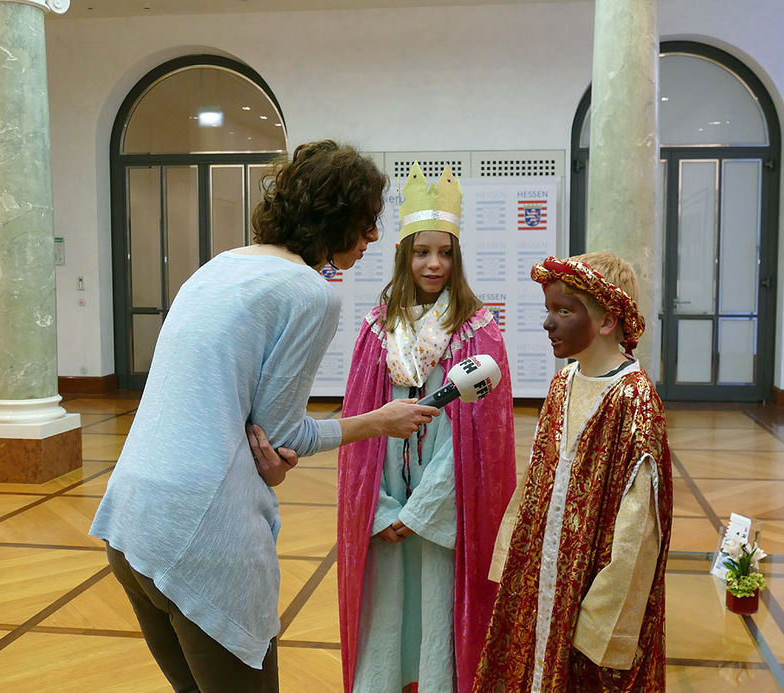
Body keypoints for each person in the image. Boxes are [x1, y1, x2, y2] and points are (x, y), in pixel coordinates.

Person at [89, 141, 438, 693]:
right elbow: (279, 436)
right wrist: (380, 420)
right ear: (335, 217)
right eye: (367, 222)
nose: (374, 237)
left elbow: (254, 434)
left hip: (131, 521)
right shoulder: (308, 292)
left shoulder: (220, 266)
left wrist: (273, 460)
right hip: (202, 531)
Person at [337, 163, 516, 693]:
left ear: (457, 258)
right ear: (404, 254)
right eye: (422, 252)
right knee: (388, 608)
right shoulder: (377, 328)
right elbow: (361, 425)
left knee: (438, 608)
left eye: (445, 253)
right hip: (387, 503)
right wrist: (385, 509)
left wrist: (420, 512)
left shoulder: (477, 330)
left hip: (441, 510)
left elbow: (480, 441)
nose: (433, 264)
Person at [473, 252, 673, 693]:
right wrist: (516, 561)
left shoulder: (635, 402)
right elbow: (536, 478)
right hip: (542, 581)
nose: (549, 323)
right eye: (548, 310)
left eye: (564, 311)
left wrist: (601, 621)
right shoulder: (562, 383)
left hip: (587, 595)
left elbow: (639, 531)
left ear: (606, 321)